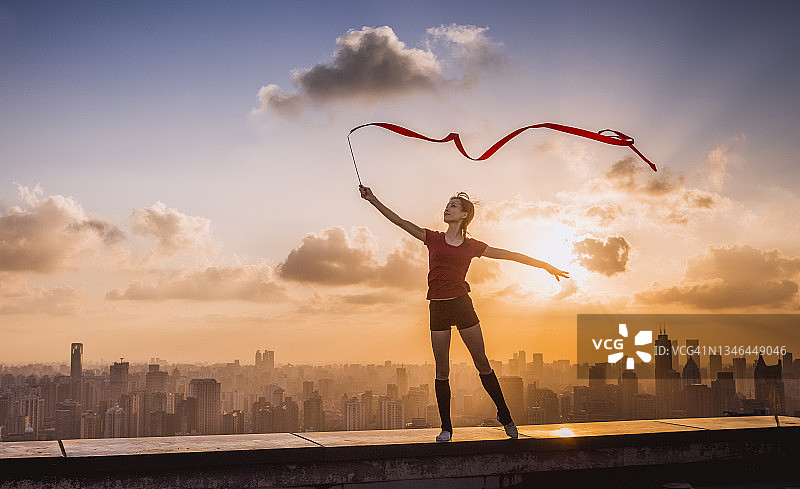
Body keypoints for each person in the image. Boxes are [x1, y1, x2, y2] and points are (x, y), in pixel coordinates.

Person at [359, 185, 569, 442]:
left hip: (461, 304)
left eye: (453, 206)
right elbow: (399, 221)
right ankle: (446, 428)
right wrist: (372, 199)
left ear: (464, 215)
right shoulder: (433, 238)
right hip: (437, 306)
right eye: (447, 204)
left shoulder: (471, 246)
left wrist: (545, 265)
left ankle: (506, 417)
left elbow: (509, 255)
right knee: (442, 369)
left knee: (481, 362)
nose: (447, 208)